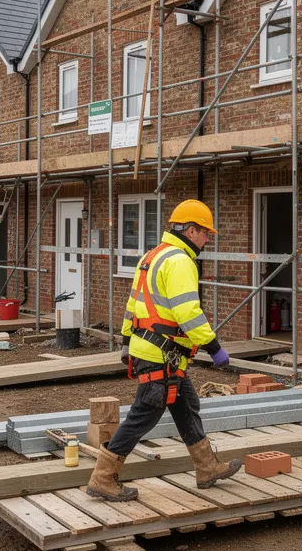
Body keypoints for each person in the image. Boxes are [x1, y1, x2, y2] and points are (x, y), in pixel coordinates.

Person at [87, 199, 238, 502]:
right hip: (161, 354)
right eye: (205, 233)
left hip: (156, 350)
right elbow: (188, 312)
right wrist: (214, 348)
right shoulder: (180, 261)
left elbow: (133, 303)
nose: (207, 239)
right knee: (144, 414)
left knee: (187, 406)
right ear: (191, 230)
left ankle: (207, 468)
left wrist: (127, 341)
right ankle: (103, 477)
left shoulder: (152, 256)